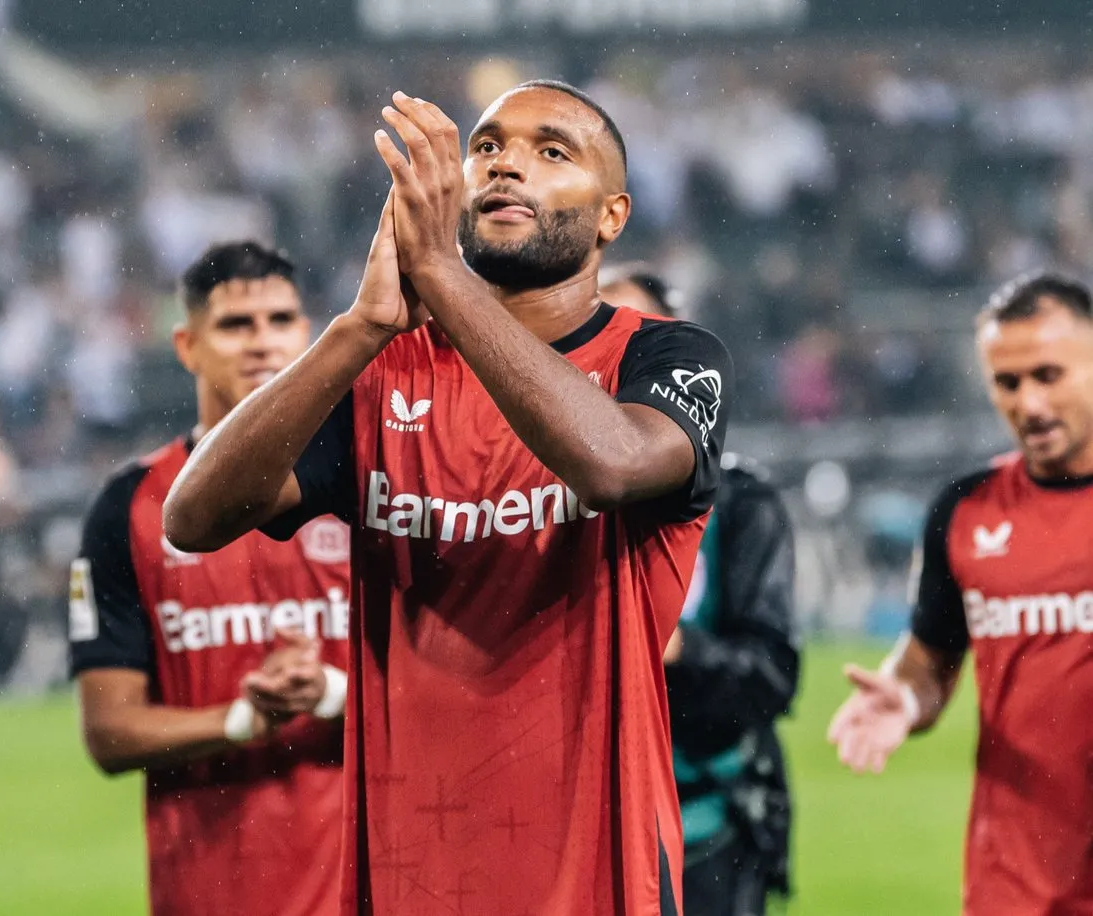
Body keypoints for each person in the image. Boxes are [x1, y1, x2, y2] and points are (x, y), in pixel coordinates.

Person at [165, 82, 735, 915]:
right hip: (409, 874)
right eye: (487, 147)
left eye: (551, 151)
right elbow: (194, 517)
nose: (506, 165)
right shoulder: (380, 375)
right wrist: (357, 329)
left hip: (597, 875)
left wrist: (438, 271)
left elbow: (610, 464)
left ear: (611, 216)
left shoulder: (665, 357)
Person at [69, 241, 350, 916]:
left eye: (280, 321)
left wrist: (334, 692)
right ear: (187, 346)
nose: (262, 342)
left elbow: (446, 688)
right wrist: (240, 720)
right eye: (235, 324)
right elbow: (109, 732)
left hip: (361, 886)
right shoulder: (130, 507)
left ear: (307, 335)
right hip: (210, 892)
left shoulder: (366, 479)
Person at [827, 272, 1093, 915]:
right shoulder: (967, 511)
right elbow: (930, 660)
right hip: (1014, 885)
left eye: (1049, 375)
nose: (1029, 404)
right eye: (1008, 382)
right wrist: (905, 697)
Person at [603, 269, 800, 916]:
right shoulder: (526, 495)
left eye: (634, 338)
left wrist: (678, 648)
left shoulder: (741, 504)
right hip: (574, 821)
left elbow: (771, 676)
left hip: (706, 828)